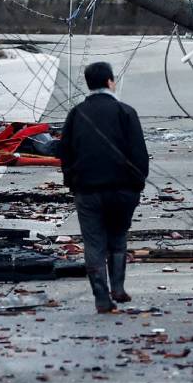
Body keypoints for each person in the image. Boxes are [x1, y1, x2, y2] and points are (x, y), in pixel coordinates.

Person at [59, 61, 149, 313]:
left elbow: (64, 152)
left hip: (87, 191)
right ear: (110, 82)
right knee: (118, 236)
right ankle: (118, 288)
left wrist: (72, 182)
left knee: (94, 242)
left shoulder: (76, 114)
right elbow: (140, 154)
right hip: (123, 190)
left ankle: (101, 296)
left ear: (89, 84)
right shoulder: (126, 112)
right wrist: (137, 184)